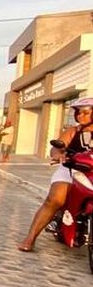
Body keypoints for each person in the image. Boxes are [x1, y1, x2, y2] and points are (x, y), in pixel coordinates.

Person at [17, 98, 93, 252]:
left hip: (91, 172)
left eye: (85, 113)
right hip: (71, 169)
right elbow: (56, 148)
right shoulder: (73, 131)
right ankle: (30, 238)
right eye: (78, 112)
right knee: (55, 199)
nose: (80, 116)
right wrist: (58, 155)